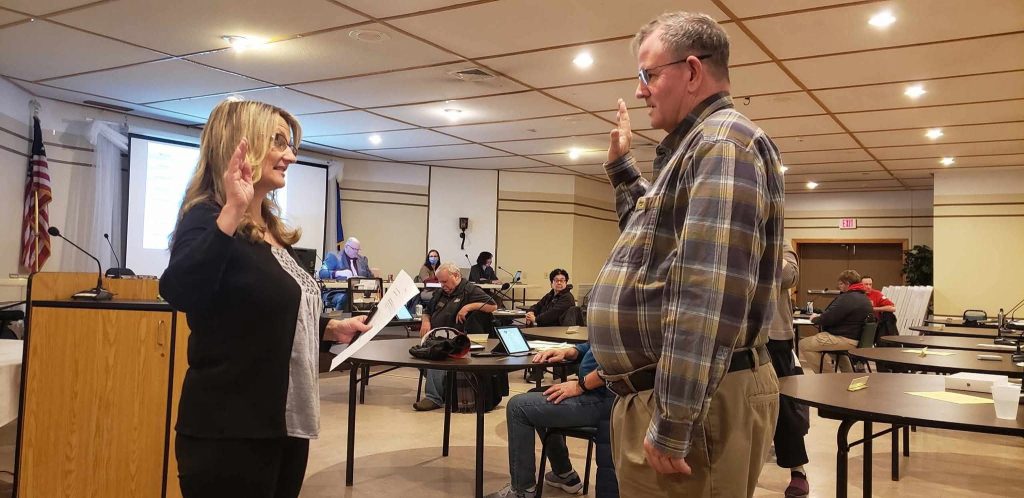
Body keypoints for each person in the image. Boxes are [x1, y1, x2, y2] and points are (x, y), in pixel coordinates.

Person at [587, 12, 785, 497]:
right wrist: (622, 170)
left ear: (692, 71)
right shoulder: (699, 146)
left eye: (648, 74)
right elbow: (652, 250)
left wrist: (674, 419)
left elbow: (705, 294)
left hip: (694, 403)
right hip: (680, 396)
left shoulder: (721, 144)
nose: (640, 91)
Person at [159, 99, 371, 498]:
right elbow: (180, 291)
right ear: (240, 142)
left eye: (290, 145)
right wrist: (232, 211)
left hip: (284, 424)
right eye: (278, 142)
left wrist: (331, 328)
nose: (290, 156)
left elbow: (264, 311)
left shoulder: (272, 229)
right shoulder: (207, 216)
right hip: (230, 432)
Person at [485, 344, 617, 498]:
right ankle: (564, 473)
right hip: (595, 393)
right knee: (536, 396)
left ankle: (522, 491)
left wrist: (580, 385)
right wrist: (571, 351)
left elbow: (618, 365)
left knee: (518, 407)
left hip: (603, 399)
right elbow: (595, 344)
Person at [414, 262, 498, 411]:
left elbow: (492, 305)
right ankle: (443, 389)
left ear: (456, 276)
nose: (442, 285)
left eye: (445, 281)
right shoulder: (440, 292)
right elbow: (427, 311)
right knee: (418, 354)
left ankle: (433, 398)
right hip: (436, 337)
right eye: (440, 282)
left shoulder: (470, 290)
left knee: (436, 354)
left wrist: (468, 306)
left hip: (457, 341)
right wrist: (425, 321)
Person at [766, 243, 811, 497]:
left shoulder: (780, 245)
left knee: (784, 405)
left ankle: (798, 470)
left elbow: (788, 276)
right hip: (736, 337)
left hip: (775, 337)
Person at [798, 270, 873, 373]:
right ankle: (848, 375)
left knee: (804, 344)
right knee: (834, 350)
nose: (839, 287)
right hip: (854, 338)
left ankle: (827, 377)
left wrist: (815, 318)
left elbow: (828, 318)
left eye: (841, 284)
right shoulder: (864, 298)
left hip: (844, 339)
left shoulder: (848, 298)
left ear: (847, 284)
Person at [318, 237, 372, 310]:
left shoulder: (362, 259)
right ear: (346, 246)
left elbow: (370, 277)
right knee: (346, 298)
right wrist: (338, 273)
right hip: (337, 292)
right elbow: (322, 273)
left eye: (358, 249)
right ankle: (339, 317)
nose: (356, 252)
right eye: (354, 249)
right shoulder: (334, 256)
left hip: (359, 292)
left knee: (373, 299)